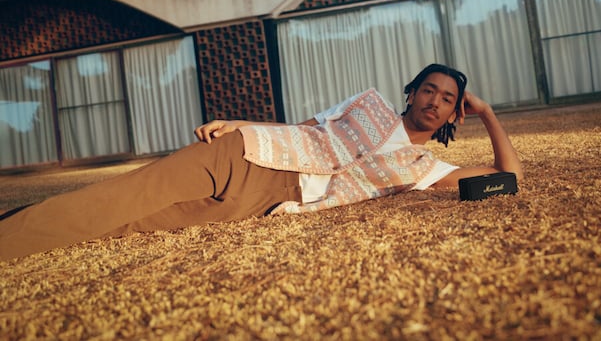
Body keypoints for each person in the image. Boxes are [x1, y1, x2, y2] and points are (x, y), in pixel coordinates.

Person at [0, 64, 522, 260]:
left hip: (270, 201)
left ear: (455, 112)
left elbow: (509, 179)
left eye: (449, 98)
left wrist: (489, 113)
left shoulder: (423, 168)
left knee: (130, 225)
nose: (435, 100)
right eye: (428, 89)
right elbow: (305, 127)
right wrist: (237, 124)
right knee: (120, 197)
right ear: (411, 93)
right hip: (248, 153)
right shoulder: (368, 104)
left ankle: (15, 226)